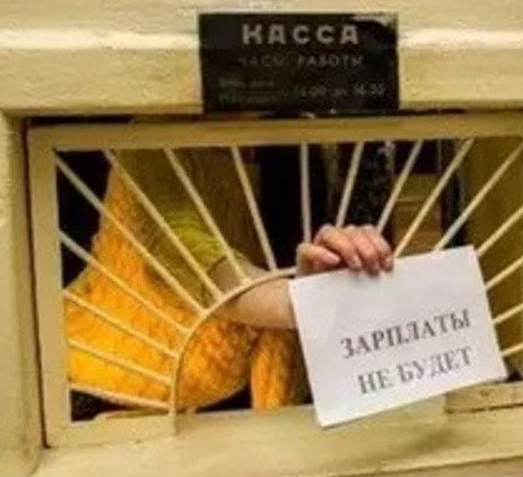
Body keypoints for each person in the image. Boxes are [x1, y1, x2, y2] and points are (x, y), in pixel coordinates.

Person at [65, 143, 396, 417]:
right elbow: (186, 256)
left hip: (237, 384)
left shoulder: (293, 142)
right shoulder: (152, 144)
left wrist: (342, 269)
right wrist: (304, 299)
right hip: (110, 376)